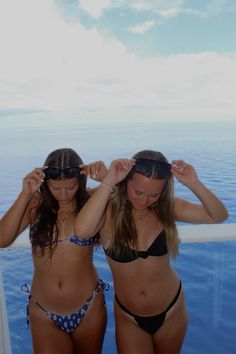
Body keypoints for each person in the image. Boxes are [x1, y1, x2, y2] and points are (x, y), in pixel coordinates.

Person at [74, 149, 228, 354]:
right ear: (126, 181)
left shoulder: (167, 208)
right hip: (129, 317)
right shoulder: (107, 208)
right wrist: (109, 181)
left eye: (154, 195)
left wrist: (193, 183)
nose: (144, 201)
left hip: (171, 310)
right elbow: (82, 231)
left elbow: (218, 215)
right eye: (138, 192)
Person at [0, 148, 108, 354]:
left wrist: (107, 181)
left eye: (71, 187)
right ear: (45, 182)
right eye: (56, 188)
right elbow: (2, 239)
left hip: (89, 309)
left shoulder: (94, 201)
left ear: (81, 180)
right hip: (44, 313)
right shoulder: (35, 204)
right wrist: (25, 193)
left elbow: (130, 203)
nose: (64, 194)